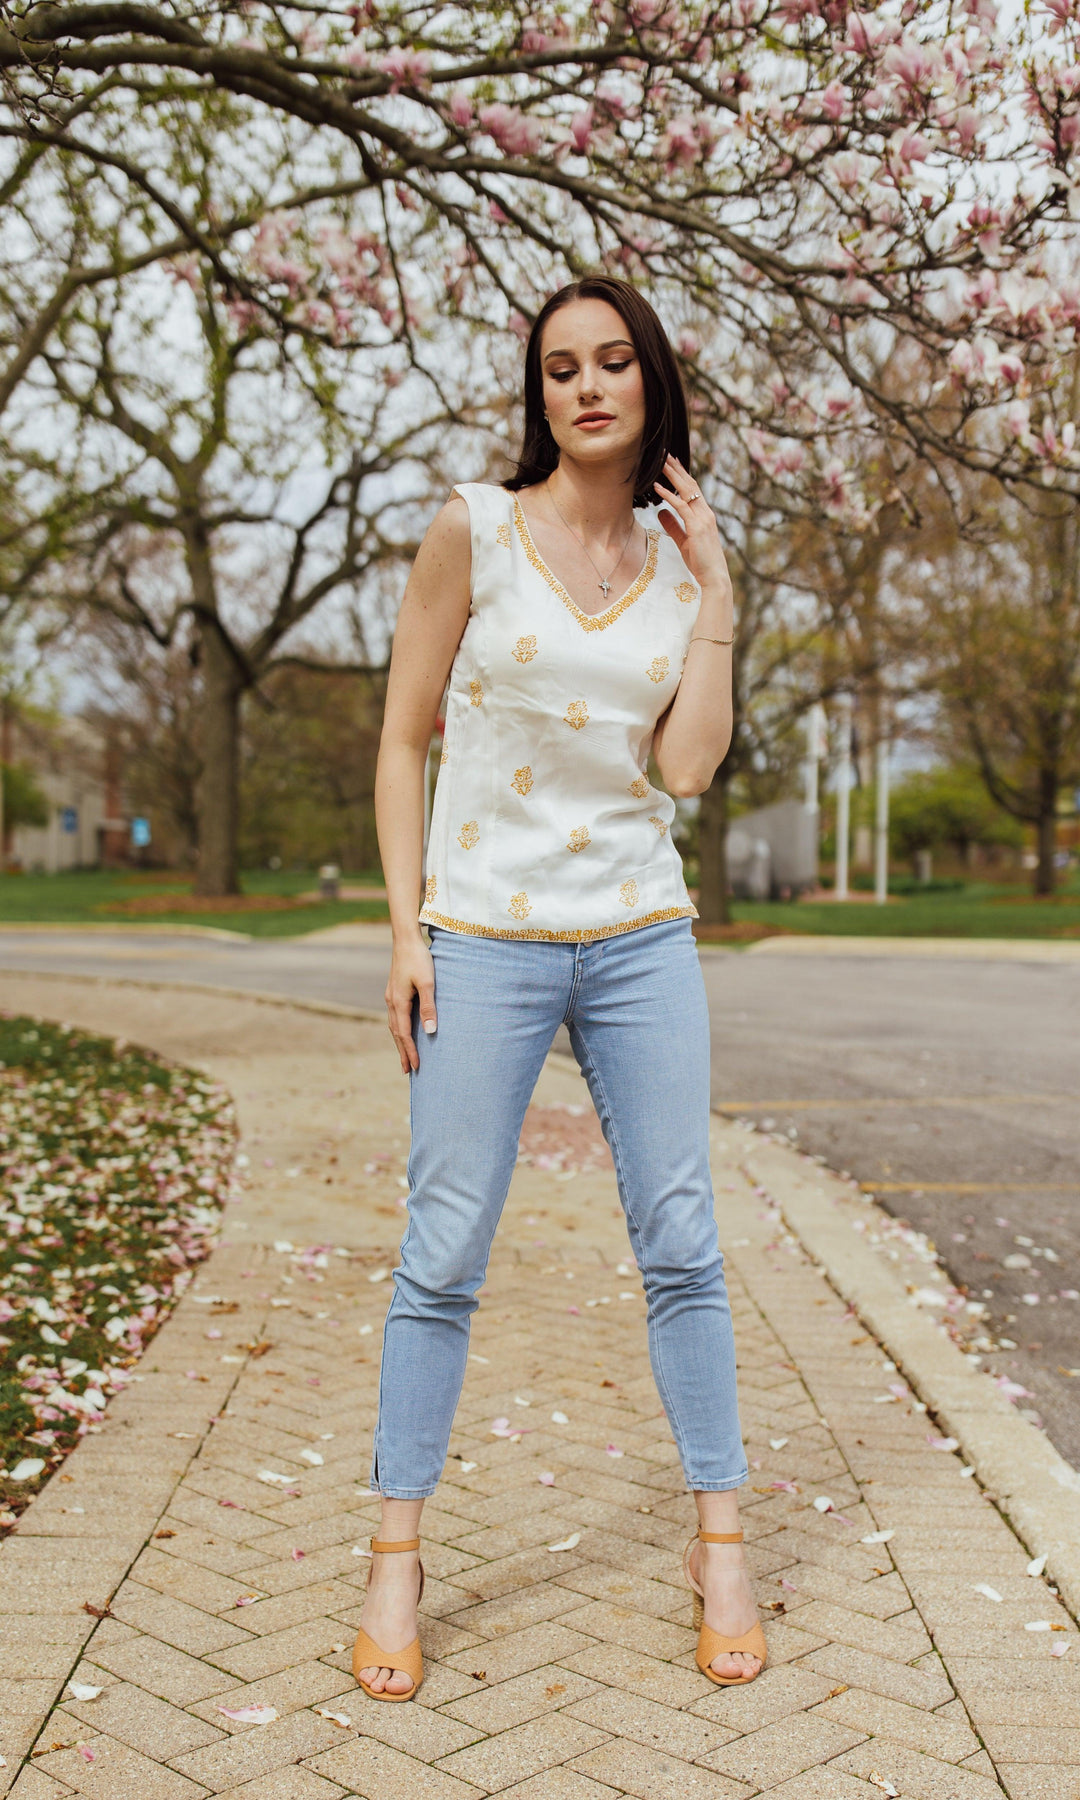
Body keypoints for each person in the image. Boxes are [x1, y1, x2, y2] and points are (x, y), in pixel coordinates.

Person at [352, 275, 765, 1702]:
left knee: (683, 1239)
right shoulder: (473, 531)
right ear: (538, 397)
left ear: (651, 380)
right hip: (484, 936)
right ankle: (395, 1559)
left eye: (610, 365)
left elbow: (689, 771)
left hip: (641, 934)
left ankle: (721, 1546)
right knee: (445, 1247)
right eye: (557, 371)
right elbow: (403, 742)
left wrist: (719, 599)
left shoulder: (677, 562)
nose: (585, 388)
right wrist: (408, 936)